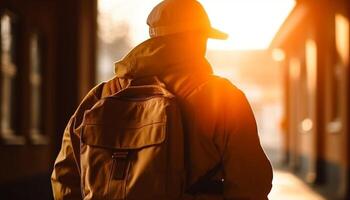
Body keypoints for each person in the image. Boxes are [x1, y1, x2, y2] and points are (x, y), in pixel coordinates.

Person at [51, 0, 273, 199]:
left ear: (153, 37)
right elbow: (251, 185)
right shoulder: (221, 98)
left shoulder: (102, 95)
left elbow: (64, 175)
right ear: (197, 39)